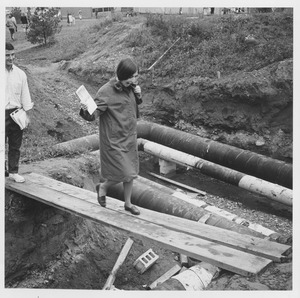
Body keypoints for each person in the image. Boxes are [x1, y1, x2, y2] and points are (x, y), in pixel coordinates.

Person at [80, 57, 142, 215]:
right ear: (123, 76)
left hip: (129, 137)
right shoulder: (105, 91)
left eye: (136, 76)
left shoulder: (131, 88)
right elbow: (93, 115)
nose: (136, 79)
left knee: (131, 173)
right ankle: (104, 187)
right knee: (125, 172)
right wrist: (85, 110)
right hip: (114, 140)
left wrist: (138, 95)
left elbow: (134, 109)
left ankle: (128, 203)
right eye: (133, 76)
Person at [5, 42, 34, 183]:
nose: (10, 58)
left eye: (12, 55)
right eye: (6, 55)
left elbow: (25, 95)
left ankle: (13, 172)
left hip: (16, 114)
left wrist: (27, 115)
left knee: (15, 145)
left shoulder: (20, 74)